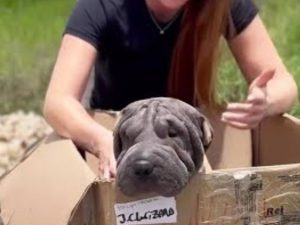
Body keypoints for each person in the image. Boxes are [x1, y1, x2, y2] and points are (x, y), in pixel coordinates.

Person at [43, 0, 298, 180]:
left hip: (182, 145)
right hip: (121, 140)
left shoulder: (223, 5)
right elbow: (58, 101)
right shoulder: (102, 6)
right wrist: (102, 141)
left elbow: (285, 86)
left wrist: (266, 100)